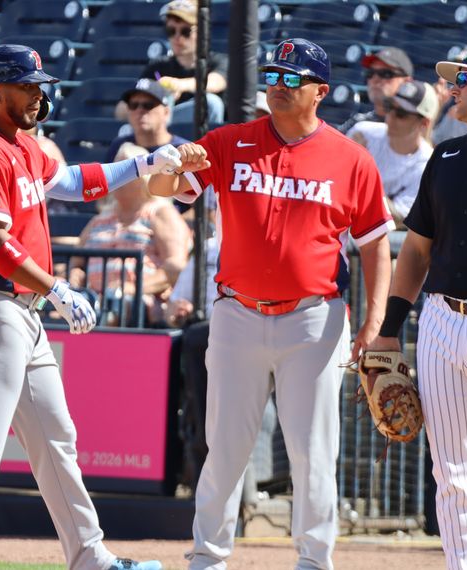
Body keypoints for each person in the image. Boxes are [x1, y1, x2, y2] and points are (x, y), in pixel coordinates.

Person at [148, 38, 394, 569]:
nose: (277, 87)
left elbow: (376, 245)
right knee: (226, 449)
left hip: (314, 319)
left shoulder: (351, 159)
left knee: (312, 454)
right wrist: (173, 161)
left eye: (290, 79)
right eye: (272, 77)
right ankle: (208, 558)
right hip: (237, 314)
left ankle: (313, 561)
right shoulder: (230, 140)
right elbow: (165, 186)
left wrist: (376, 321)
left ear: (320, 92)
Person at [0, 43, 180, 570]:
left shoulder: (22, 145)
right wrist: (56, 289)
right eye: (28, 85)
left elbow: (70, 181)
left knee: (56, 438)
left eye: (38, 85)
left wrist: (142, 163)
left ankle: (90, 557)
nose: (38, 93)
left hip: (20, 315)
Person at [368, 42, 467, 569]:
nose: (452, 88)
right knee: (451, 470)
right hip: (440, 322)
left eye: (464, 78)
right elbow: (416, 249)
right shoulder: (449, 156)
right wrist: (390, 328)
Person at [71, 142, 190, 326]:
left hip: (140, 304)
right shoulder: (102, 217)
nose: (116, 175)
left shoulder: (160, 213)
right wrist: (74, 277)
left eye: (125, 169)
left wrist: (132, 288)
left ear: (143, 176)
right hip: (93, 299)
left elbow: (175, 267)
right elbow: (76, 260)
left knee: (114, 305)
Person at [350, 79, 438, 227]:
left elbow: (396, 219)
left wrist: (362, 169)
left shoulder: (428, 166)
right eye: (389, 107)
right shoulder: (363, 132)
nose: (390, 116)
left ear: (424, 123)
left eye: (401, 114)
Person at [137, 0, 226, 125]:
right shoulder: (157, 66)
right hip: (164, 137)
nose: (177, 37)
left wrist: (178, 85)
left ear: (202, 32)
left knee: (209, 102)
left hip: (201, 142)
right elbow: (122, 109)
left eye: (185, 31)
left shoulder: (219, 60)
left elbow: (216, 82)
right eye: (171, 31)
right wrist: (155, 95)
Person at [106, 78, 189, 162]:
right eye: (133, 105)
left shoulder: (182, 150)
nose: (139, 110)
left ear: (166, 112)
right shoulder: (119, 145)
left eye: (148, 105)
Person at [341, 46, 414, 135]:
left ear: (407, 82)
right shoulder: (357, 123)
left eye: (386, 74)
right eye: (370, 73)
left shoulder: (415, 127)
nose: (375, 79)